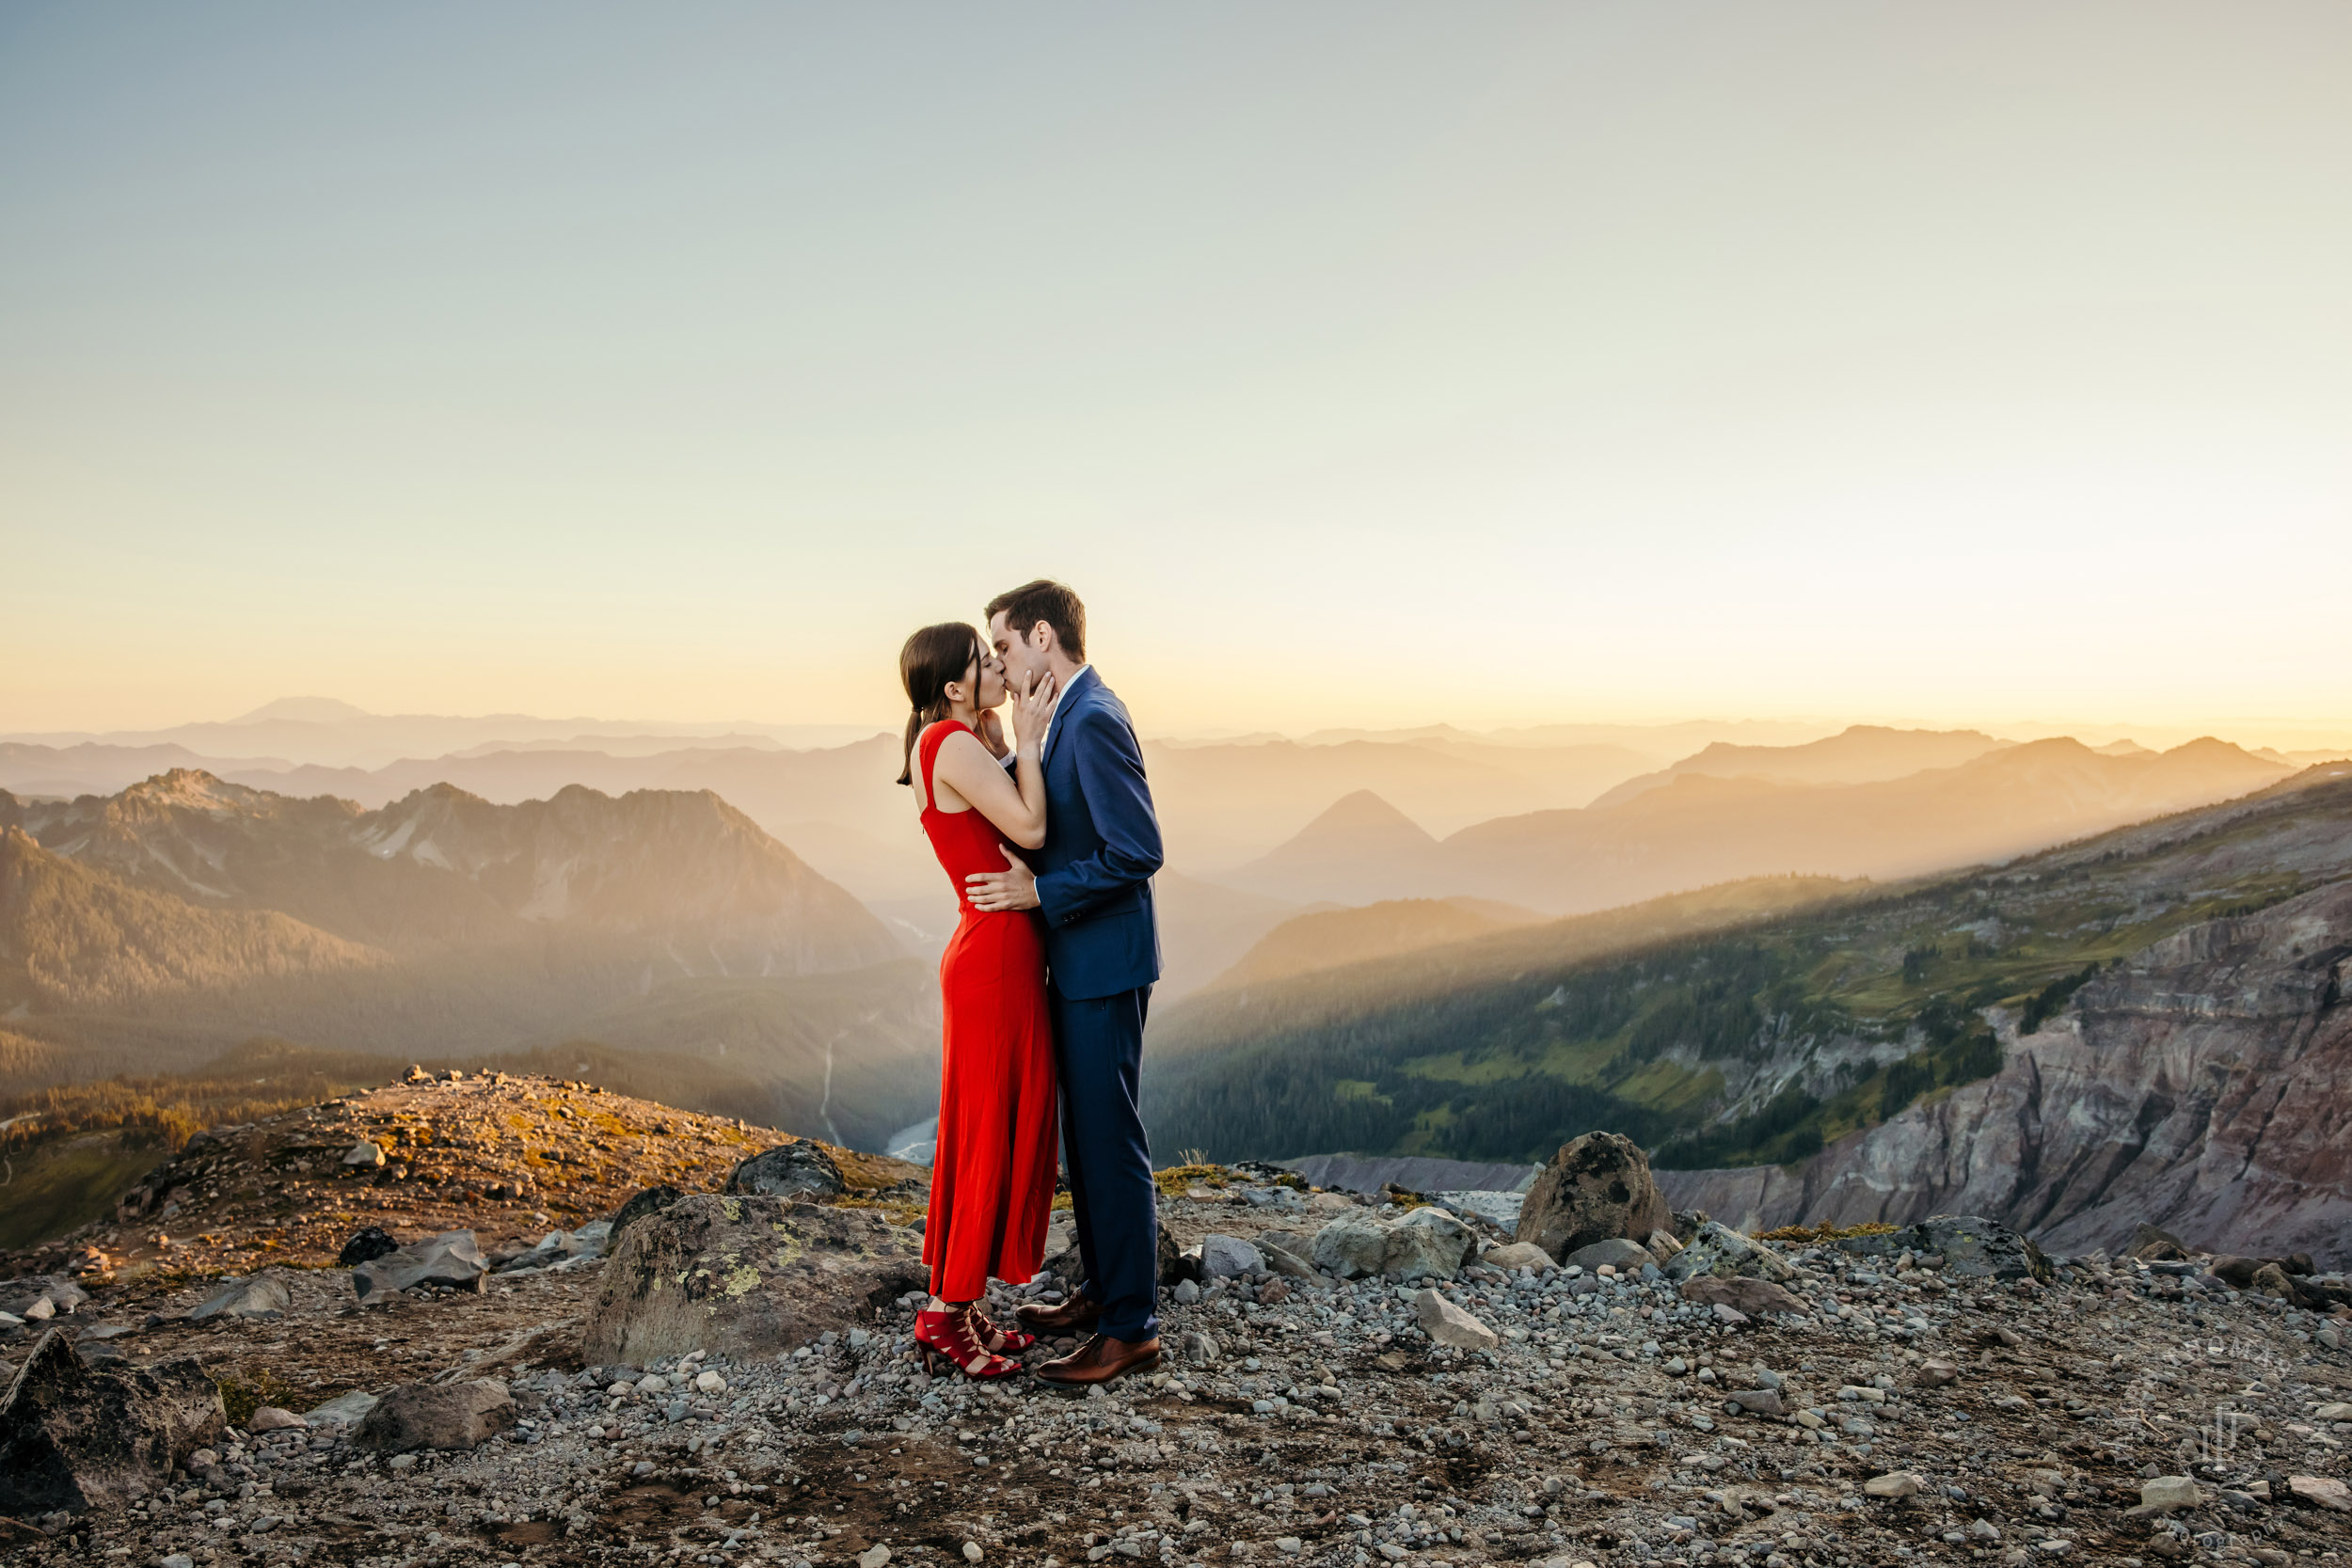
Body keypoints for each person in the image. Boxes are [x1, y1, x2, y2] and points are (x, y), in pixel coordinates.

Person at [966, 579, 1167, 1388]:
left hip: (1105, 965)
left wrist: (1039, 893)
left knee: (1110, 1143)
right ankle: (1102, 1291)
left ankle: (1131, 1328)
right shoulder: (1062, 718)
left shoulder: (1096, 718)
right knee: (1083, 1141)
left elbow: (1137, 848)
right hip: (1081, 962)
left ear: (1043, 636)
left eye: (1006, 648)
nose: (1003, 665)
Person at [897, 620, 1062, 1379]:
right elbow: (1028, 824)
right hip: (995, 954)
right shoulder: (953, 743)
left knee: (984, 1123)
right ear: (954, 687)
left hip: (993, 949)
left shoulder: (952, 737)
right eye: (982, 660)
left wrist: (1006, 729)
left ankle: (958, 1304)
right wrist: (1027, 739)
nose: (997, 664)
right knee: (989, 1128)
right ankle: (944, 1314)